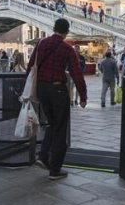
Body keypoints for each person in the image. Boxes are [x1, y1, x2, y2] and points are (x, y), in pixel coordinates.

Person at [29, 19, 87, 180]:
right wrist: (83, 96)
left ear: (53, 29)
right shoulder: (67, 49)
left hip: (41, 89)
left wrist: (26, 89)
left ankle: (43, 156)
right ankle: (55, 169)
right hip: (58, 90)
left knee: (52, 124)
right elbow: (76, 73)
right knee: (61, 128)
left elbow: (30, 67)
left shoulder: (41, 44)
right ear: (66, 32)